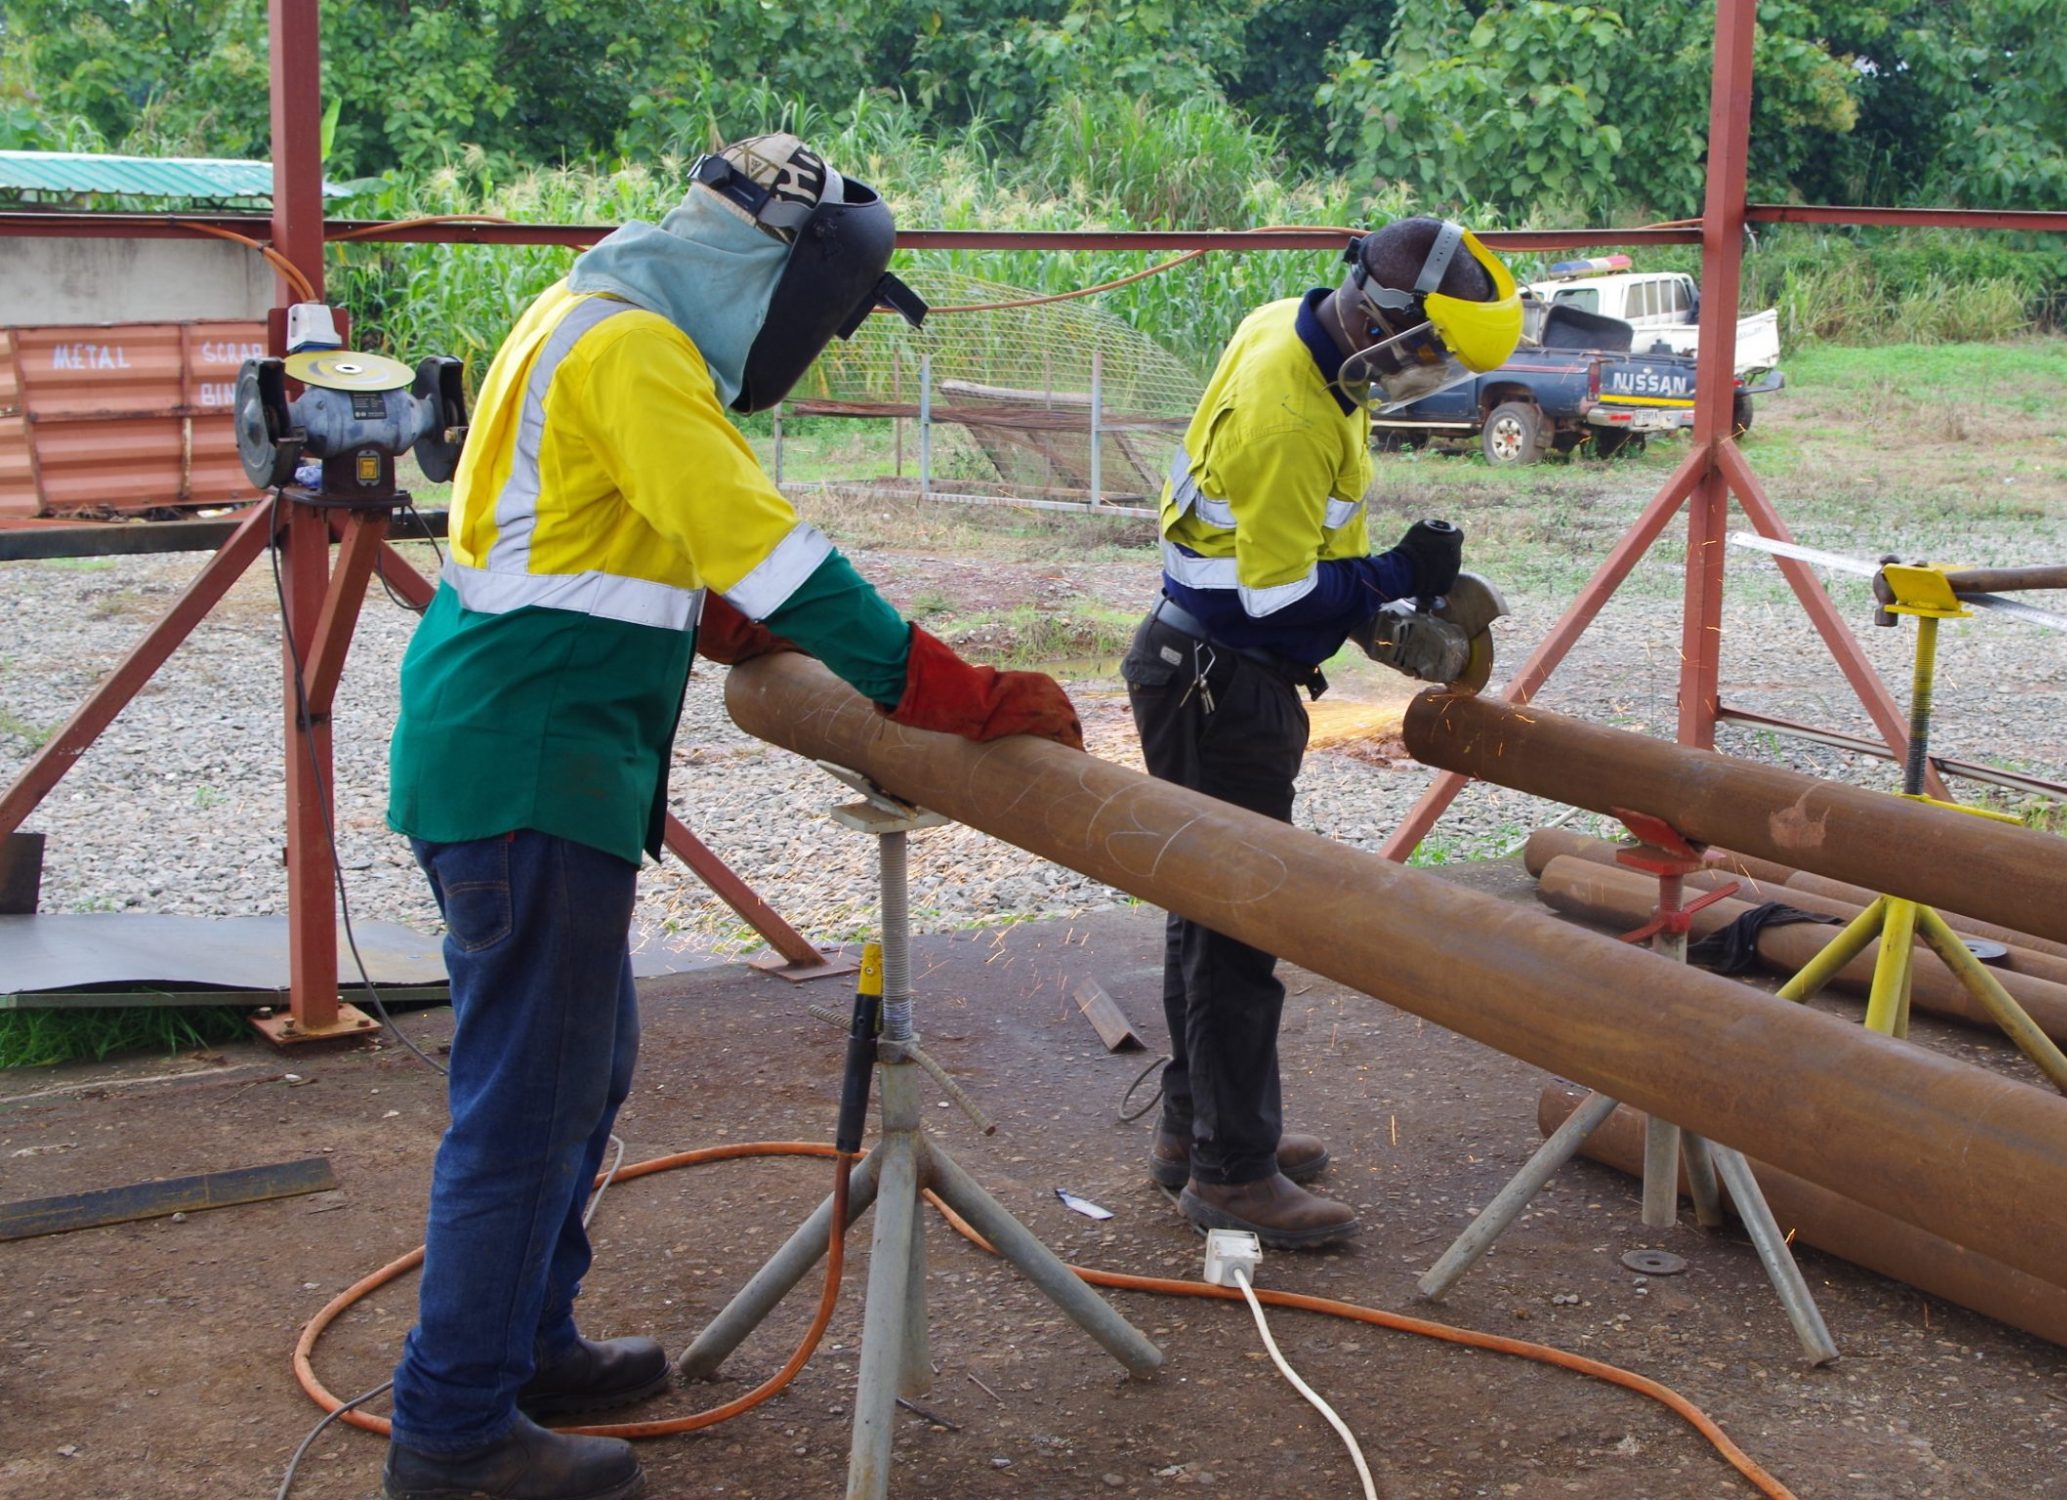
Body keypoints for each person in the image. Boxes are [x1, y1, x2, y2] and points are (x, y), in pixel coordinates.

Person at [381, 134, 1081, 1500]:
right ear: (775, 269)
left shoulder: (582, 312)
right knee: (526, 1108)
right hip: (531, 770)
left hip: (528, 757)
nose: (814, 346)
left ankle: (526, 1347)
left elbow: (594, 531)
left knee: (578, 1075)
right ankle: (453, 1430)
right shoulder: (632, 350)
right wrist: (933, 685)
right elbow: (768, 546)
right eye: (823, 318)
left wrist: (712, 610)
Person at [1126, 217, 1521, 1248]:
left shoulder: (1292, 332)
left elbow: (1290, 552)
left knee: (1205, 916)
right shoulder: (1292, 414)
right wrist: (1396, 575)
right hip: (1219, 680)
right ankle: (1231, 1174)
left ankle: (1196, 1134)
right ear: (1383, 319)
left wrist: (1381, 592)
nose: (1421, 377)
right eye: (1425, 355)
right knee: (1239, 927)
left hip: (1208, 668)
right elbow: (1275, 597)